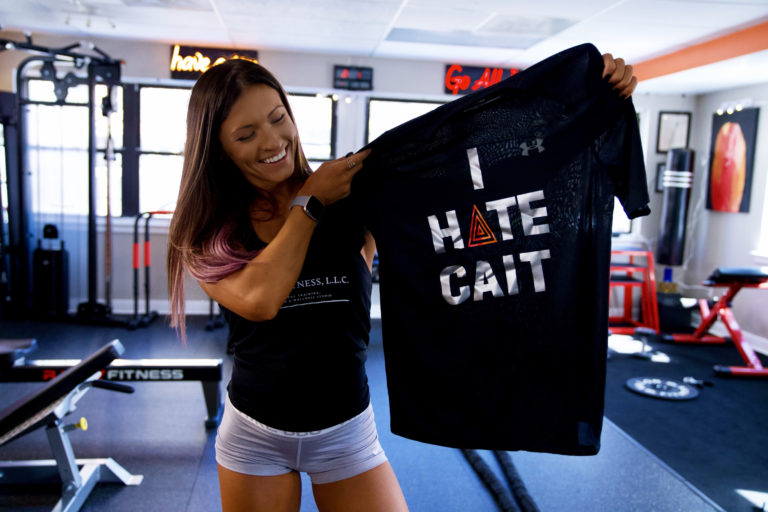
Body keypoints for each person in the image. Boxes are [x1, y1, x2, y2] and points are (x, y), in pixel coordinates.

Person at [166, 53, 637, 512]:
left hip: (346, 433)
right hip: (256, 436)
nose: (272, 141)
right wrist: (308, 202)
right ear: (218, 148)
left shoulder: (350, 195)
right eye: (246, 134)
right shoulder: (209, 231)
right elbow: (261, 299)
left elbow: (472, 162)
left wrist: (583, 97)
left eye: (277, 118)